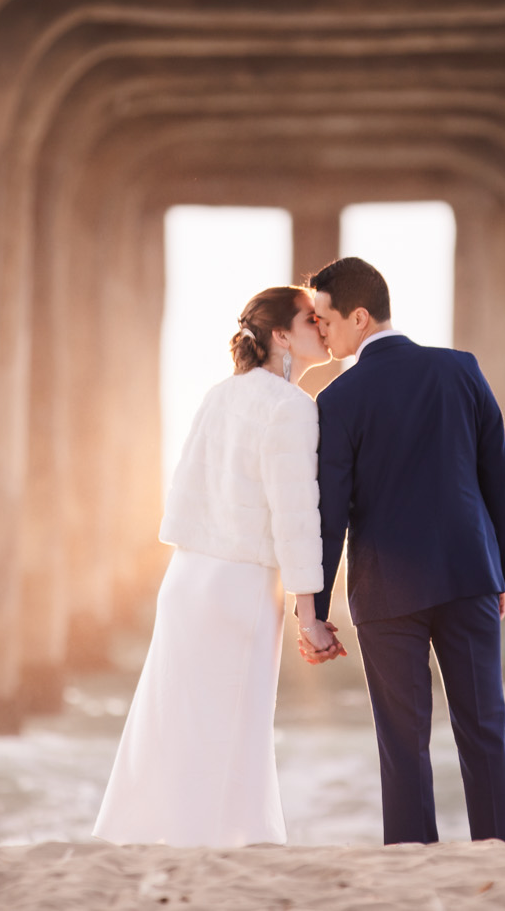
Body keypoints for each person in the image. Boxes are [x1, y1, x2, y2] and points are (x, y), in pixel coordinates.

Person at [93, 285, 341, 846]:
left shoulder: (218, 394)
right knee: (236, 721)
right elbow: (296, 517)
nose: (322, 328)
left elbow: (183, 492)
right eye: (310, 320)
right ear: (281, 334)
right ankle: (224, 837)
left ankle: (153, 833)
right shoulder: (293, 408)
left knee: (173, 718)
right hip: (242, 583)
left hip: (185, 577)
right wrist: (310, 614)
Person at [300, 256, 505, 845]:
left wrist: (316, 607)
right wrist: (502, 573)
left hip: (385, 590)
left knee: (402, 743)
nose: (321, 331)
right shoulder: (461, 370)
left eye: (325, 319)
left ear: (360, 316)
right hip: (469, 575)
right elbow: (496, 476)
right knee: (484, 731)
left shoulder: (339, 399)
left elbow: (329, 514)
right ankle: (499, 859)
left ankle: (410, 861)